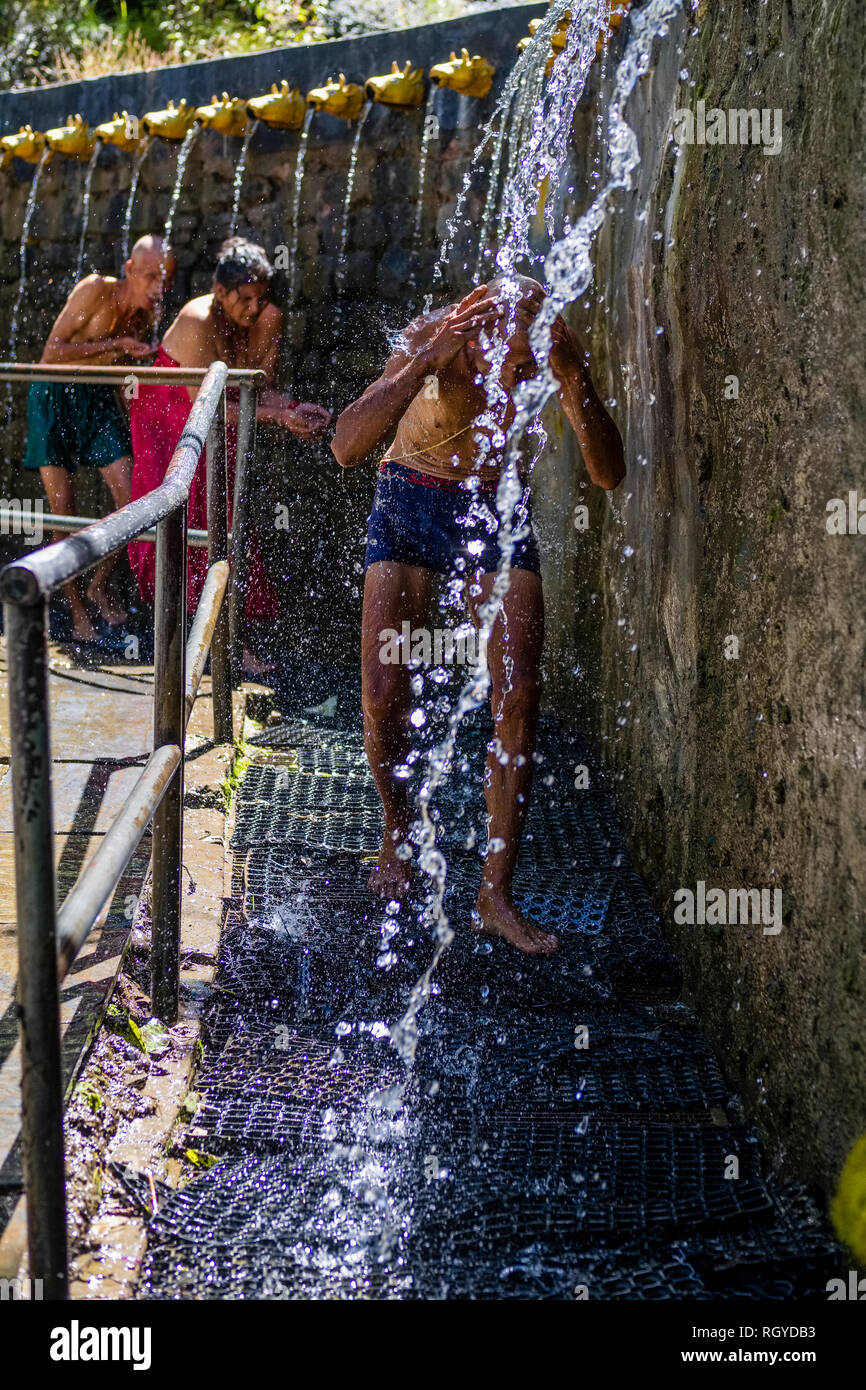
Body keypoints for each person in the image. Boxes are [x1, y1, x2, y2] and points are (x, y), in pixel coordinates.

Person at [331, 277, 625, 956]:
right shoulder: (435, 341)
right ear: (478, 339)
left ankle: (495, 894)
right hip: (410, 497)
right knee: (383, 693)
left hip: (496, 507)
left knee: (519, 694)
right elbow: (348, 446)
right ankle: (396, 833)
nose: (520, 378)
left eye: (529, 367)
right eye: (510, 363)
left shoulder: (553, 349)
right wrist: (421, 365)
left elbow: (609, 475)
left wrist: (573, 377)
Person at [127, 237, 330, 676]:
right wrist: (280, 417)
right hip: (172, 413)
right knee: (195, 513)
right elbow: (208, 405)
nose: (254, 310)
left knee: (227, 517)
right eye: (245, 300)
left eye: (261, 299)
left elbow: (261, 391)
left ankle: (226, 640)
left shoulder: (266, 319)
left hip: (218, 412)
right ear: (220, 292)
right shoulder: (197, 320)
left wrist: (294, 409)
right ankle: (204, 642)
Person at [22, 235, 170, 646]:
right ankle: (77, 610)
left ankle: (98, 586)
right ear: (128, 270)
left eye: (164, 279)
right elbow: (52, 352)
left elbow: (126, 376)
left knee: (133, 500)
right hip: (51, 395)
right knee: (62, 511)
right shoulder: (94, 289)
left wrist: (138, 422)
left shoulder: (145, 315)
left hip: (98, 397)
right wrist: (117, 344)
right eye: (150, 277)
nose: (158, 288)